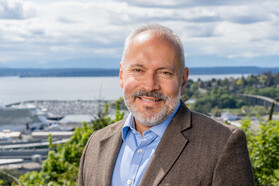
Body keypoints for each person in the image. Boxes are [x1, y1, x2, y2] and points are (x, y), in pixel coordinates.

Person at [78, 24, 255, 186]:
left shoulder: (221, 143)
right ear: (121, 75)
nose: (149, 85)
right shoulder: (96, 143)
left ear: (183, 79)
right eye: (138, 70)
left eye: (164, 72)